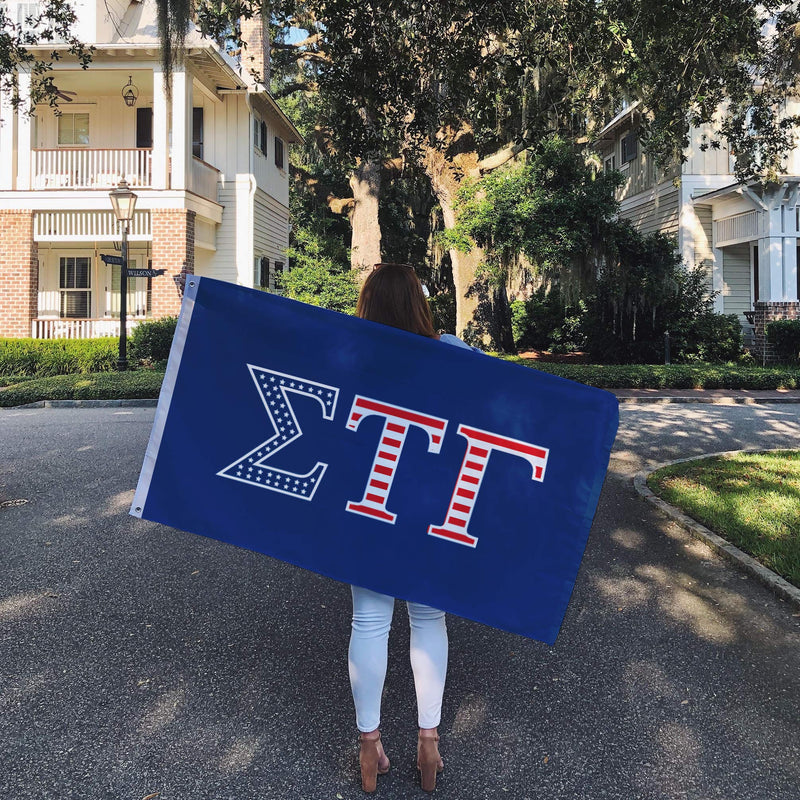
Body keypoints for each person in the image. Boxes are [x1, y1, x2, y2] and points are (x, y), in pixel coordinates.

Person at [348, 263, 476, 793]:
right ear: (421, 305)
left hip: (371, 509)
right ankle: (429, 740)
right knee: (429, 620)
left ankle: (368, 745)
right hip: (433, 510)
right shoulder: (456, 353)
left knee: (369, 622)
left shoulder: (352, 355)